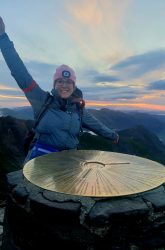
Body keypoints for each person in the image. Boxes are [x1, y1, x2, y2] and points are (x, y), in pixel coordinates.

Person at [0, 16, 119, 163]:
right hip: (41, 162)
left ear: (74, 86)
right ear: (54, 84)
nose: (64, 85)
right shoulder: (42, 100)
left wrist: (113, 135)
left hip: (69, 162)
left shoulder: (78, 109)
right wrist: (2, 37)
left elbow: (96, 126)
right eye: (60, 81)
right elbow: (19, 72)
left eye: (69, 82)